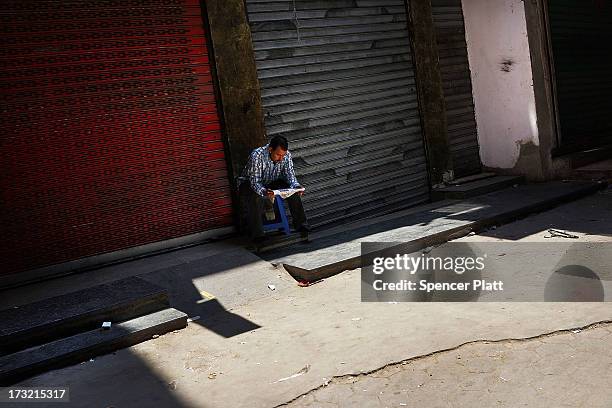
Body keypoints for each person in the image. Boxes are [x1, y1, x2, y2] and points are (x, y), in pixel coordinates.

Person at [239, 136, 310, 241]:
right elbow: (255, 183)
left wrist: (296, 186)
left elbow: (290, 176)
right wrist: (264, 192)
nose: (281, 158)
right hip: (250, 184)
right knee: (256, 196)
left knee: (294, 192)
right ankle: (257, 235)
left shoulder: (286, 155)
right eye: (278, 155)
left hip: (271, 182)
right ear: (270, 149)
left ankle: (301, 225)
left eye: (283, 155)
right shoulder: (257, 156)